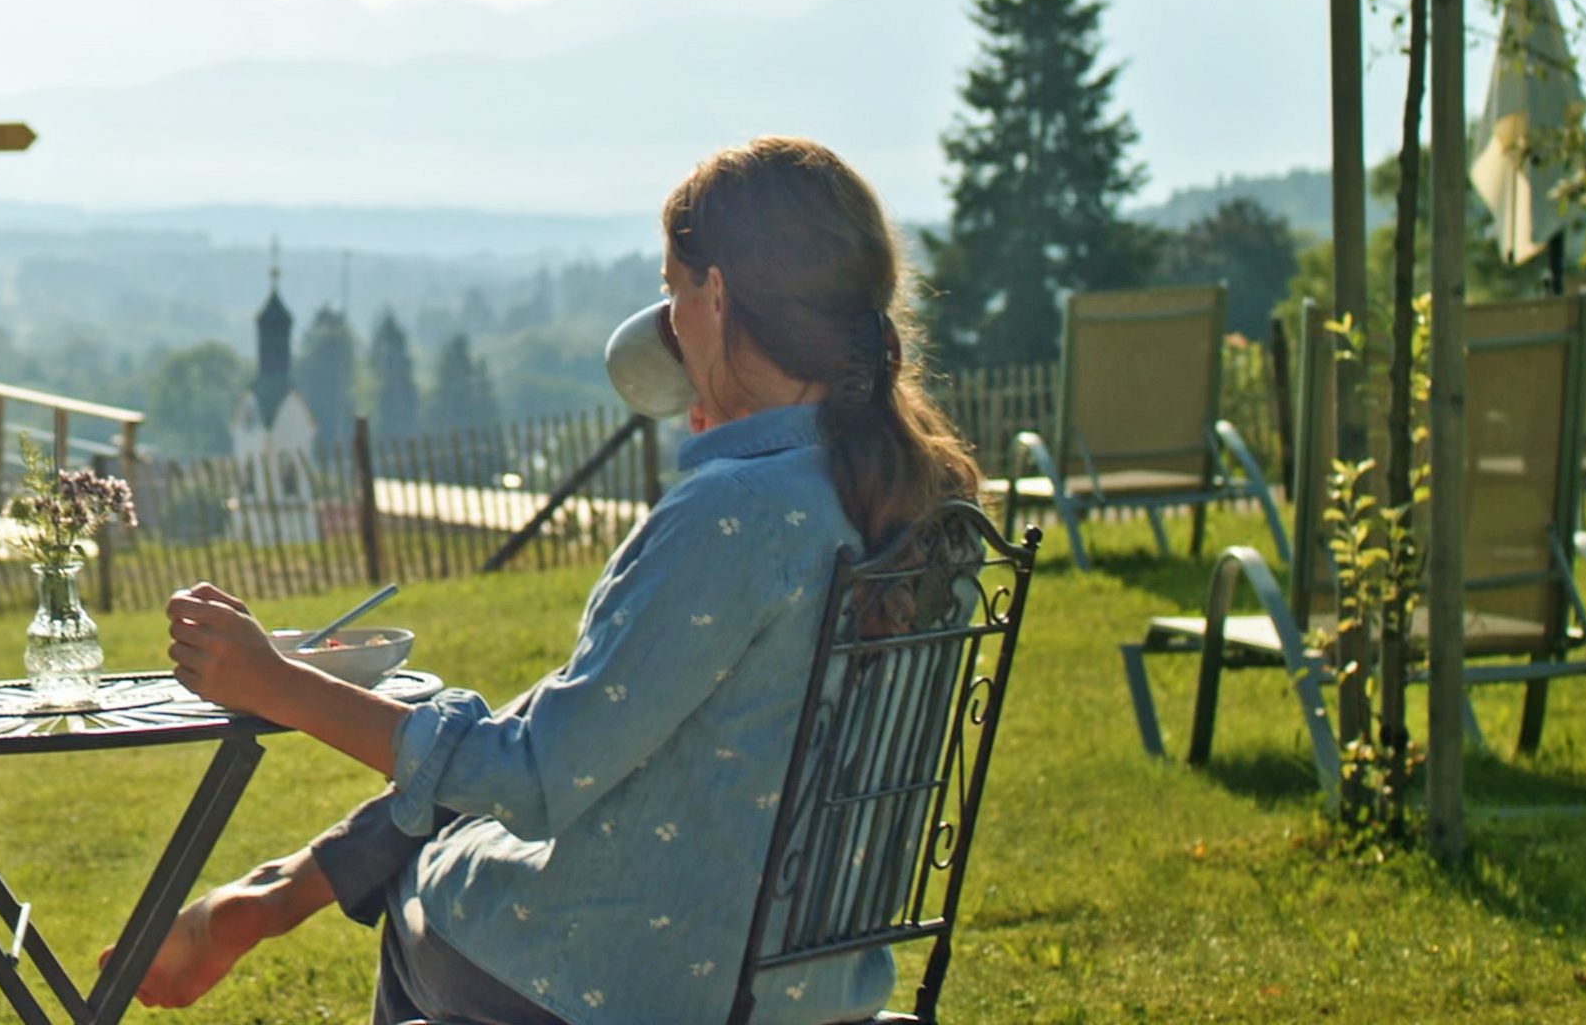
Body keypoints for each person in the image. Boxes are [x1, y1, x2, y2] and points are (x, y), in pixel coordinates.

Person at [126, 136, 978, 1025]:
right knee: (472, 779)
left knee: (440, 872)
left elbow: (533, 783)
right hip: (816, 976)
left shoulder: (733, 514)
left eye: (672, 290)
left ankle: (272, 896)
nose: (668, 318)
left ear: (715, 296)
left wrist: (276, 684)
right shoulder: (923, 499)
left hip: (643, 980)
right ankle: (274, 895)